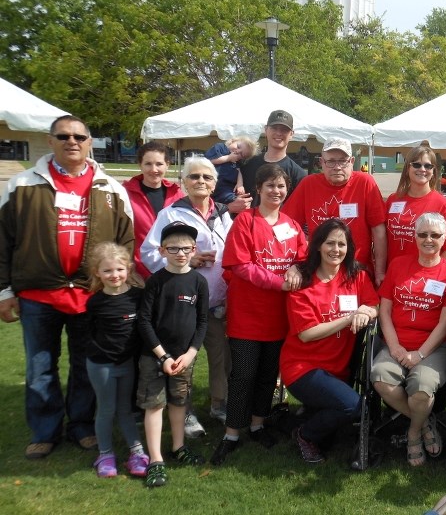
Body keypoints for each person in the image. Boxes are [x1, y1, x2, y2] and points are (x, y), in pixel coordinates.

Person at [0, 115, 134, 459]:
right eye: (63, 136)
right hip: (38, 294)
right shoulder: (22, 185)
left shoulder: (110, 188)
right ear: (51, 141)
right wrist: (3, 291)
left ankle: (82, 425)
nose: (71, 142)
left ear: (90, 141)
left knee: (85, 365)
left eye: (79, 136)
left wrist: (114, 287)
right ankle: (44, 431)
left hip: (91, 295)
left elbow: (126, 241)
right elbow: (3, 241)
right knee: (40, 366)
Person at [210, 163, 306, 465]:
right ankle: (231, 434)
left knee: (267, 376)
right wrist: (280, 282)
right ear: (258, 189)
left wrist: (294, 268)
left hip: (279, 316)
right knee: (243, 376)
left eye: (280, 186)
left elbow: (303, 259)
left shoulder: (291, 224)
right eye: (270, 186)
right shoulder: (245, 222)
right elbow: (241, 265)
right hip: (248, 315)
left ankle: (257, 424)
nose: (276, 191)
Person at [141, 156, 233, 427]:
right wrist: (187, 260)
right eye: (194, 177)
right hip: (183, 302)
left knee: (220, 356)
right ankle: (186, 410)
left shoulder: (224, 213)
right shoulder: (171, 213)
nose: (200, 181)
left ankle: (219, 404)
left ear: (215, 184)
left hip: (217, 300)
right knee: (183, 359)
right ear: (184, 183)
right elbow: (149, 252)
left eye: (206, 177)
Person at [280, 218, 379, 464]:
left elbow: (374, 304)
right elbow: (307, 333)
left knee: (333, 436)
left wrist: (366, 311)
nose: (336, 250)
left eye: (342, 244)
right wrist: (349, 318)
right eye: (330, 243)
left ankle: (309, 421)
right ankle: (304, 435)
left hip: (338, 367)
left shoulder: (356, 275)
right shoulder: (303, 281)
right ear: (317, 246)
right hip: (302, 368)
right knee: (353, 407)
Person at [371, 213, 446, 466]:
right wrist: (396, 346)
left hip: (434, 347)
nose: (428, 239)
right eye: (422, 234)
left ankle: (412, 433)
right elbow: (385, 311)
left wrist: (420, 354)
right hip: (397, 342)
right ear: (414, 236)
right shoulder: (398, 265)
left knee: (422, 388)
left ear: (444, 239)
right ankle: (424, 422)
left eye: (435, 235)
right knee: (379, 376)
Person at [137, 221, 208, 487]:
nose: (180, 253)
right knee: (155, 404)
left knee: (179, 403)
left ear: (193, 250)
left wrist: (190, 353)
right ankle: (156, 459)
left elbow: (202, 322)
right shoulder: (156, 281)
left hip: (183, 359)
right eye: (173, 248)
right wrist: (162, 356)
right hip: (153, 357)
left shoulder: (199, 282)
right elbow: (144, 321)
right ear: (162, 250)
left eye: (186, 248)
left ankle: (178, 447)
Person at [283, 137, 387, 284]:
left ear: (351, 162)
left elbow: (379, 230)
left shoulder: (365, 182)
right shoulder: (309, 184)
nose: (337, 167)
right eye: (331, 161)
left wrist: (380, 272)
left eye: (342, 161)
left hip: (356, 273)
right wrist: (296, 263)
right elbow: (289, 226)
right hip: (318, 272)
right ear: (321, 163)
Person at [85, 242, 149, 478]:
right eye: (108, 271)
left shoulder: (137, 297)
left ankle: (137, 452)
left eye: (119, 270)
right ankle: (105, 454)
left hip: (126, 364)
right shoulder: (95, 302)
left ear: (129, 269)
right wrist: (104, 353)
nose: (114, 275)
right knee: (106, 409)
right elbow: (89, 333)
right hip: (101, 365)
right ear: (97, 273)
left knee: (126, 408)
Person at [385, 145, 446, 263]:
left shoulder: (443, 204)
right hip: (394, 275)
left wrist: (431, 275)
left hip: (424, 278)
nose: (422, 169)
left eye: (428, 166)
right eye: (417, 164)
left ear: (433, 171)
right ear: (408, 168)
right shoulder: (393, 200)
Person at [123, 142, 185, 279]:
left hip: (171, 268)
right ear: (140, 164)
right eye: (148, 164)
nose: (154, 169)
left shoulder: (177, 194)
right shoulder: (125, 194)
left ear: (167, 164)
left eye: (159, 164)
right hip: (137, 270)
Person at [240, 109, 307, 205]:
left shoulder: (298, 174)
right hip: (247, 219)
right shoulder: (247, 164)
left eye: (284, 130)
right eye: (274, 128)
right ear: (266, 130)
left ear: (291, 134)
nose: (279, 133)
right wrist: (231, 205)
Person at [205, 136, 258, 205]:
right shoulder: (221, 147)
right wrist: (228, 158)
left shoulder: (237, 161)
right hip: (212, 183)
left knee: (231, 197)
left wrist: (240, 184)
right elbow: (209, 160)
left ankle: (229, 202)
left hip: (226, 188)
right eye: (238, 147)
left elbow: (238, 171)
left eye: (241, 154)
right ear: (233, 141)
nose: (237, 151)